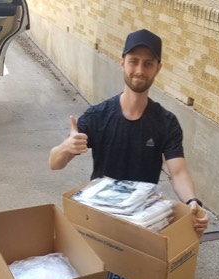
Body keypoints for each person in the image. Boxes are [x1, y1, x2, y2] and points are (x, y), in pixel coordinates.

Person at [49, 29, 209, 234]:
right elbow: (54, 163)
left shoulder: (166, 122)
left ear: (157, 69)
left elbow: (178, 172)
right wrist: (66, 147)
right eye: (134, 61)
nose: (140, 70)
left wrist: (192, 201)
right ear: (122, 62)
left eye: (148, 63)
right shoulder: (97, 116)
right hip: (101, 213)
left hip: (144, 219)